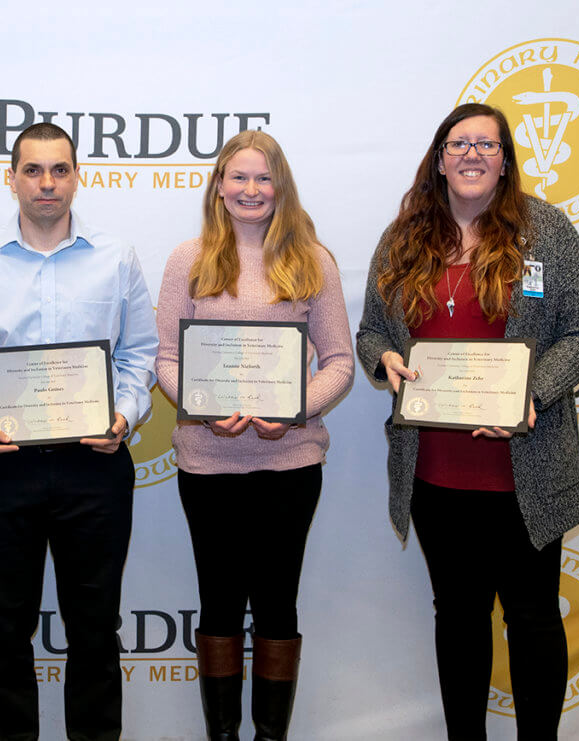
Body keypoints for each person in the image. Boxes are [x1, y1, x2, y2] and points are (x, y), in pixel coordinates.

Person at [356, 103, 579, 740]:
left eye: (486, 146)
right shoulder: (403, 237)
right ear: (439, 159)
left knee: (533, 618)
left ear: (505, 162)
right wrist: (382, 358)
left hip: (528, 472)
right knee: (459, 619)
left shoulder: (547, 232)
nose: (471, 155)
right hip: (437, 475)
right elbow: (373, 332)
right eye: (459, 143)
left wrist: (533, 395)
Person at [0, 122, 157, 741]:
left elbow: (139, 354)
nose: (47, 183)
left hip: (94, 462)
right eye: (33, 170)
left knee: (94, 628)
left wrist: (126, 414)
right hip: (1, 465)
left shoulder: (117, 256)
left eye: (59, 170)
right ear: (12, 179)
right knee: (5, 628)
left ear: (78, 176)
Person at [155, 130, 354, 740]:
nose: (250, 190)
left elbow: (340, 360)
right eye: (238, 178)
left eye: (262, 178)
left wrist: (295, 409)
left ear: (280, 187)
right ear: (219, 186)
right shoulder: (187, 260)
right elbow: (166, 358)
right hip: (207, 462)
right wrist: (202, 407)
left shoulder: (312, 260)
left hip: (289, 464)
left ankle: (271, 736)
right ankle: (222, 735)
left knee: (276, 605)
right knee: (216, 605)